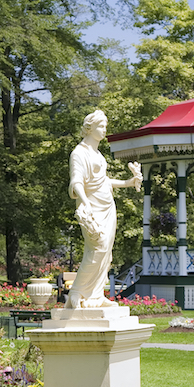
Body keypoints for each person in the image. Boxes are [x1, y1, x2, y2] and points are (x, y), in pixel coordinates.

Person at [65, 110, 142, 309]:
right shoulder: (79, 153)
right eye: (100, 126)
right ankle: (76, 292)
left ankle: (96, 296)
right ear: (89, 128)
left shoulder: (98, 154)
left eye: (105, 126)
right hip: (92, 209)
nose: (104, 130)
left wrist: (128, 182)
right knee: (96, 250)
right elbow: (76, 182)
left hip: (108, 207)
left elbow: (103, 181)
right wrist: (85, 202)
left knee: (106, 253)